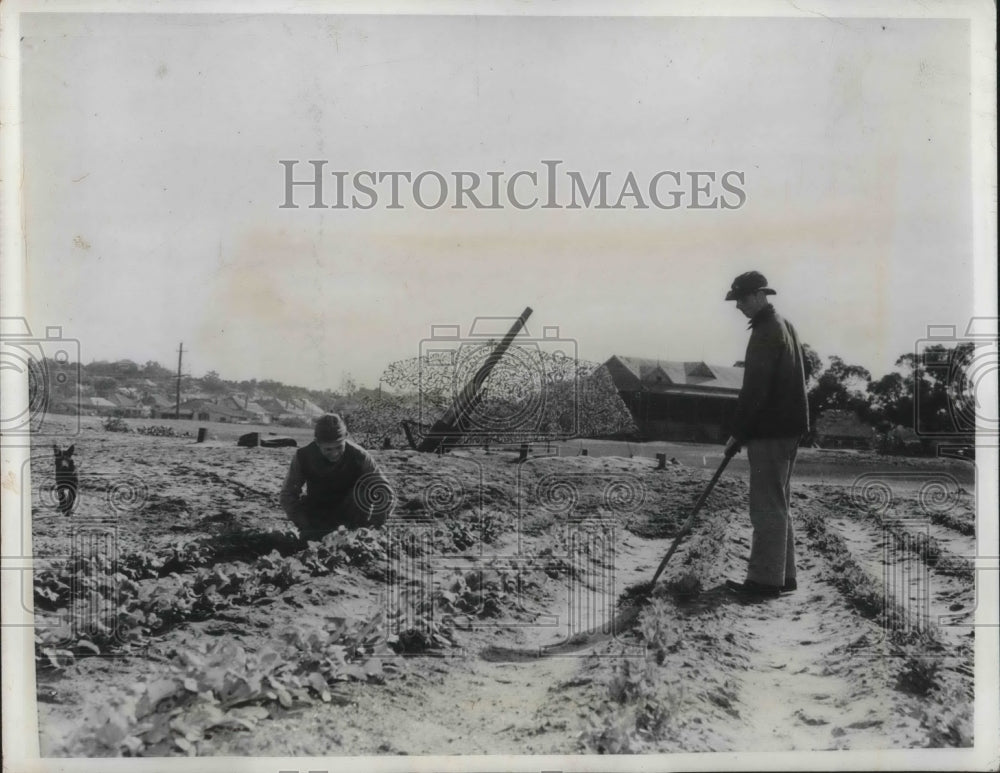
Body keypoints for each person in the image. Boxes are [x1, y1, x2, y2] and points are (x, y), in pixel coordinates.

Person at [722, 271, 809, 598]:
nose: (739, 306)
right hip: (789, 428)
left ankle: (763, 582)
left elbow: (754, 390)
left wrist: (737, 434)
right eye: (737, 300)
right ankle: (783, 577)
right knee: (779, 502)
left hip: (771, 431)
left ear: (759, 295)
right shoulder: (785, 325)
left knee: (765, 506)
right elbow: (805, 372)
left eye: (742, 299)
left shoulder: (765, 330)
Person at [280, 414, 395, 539]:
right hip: (317, 512)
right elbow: (288, 494)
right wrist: (304, 524)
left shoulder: (360, 456)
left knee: (362, 494)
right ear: (317, 442)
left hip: (352, 514)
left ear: (346, 437)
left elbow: (384, 492)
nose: (335, 454)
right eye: (328, 449)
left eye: (339, 447)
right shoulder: (302, 456)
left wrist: (373, 526)